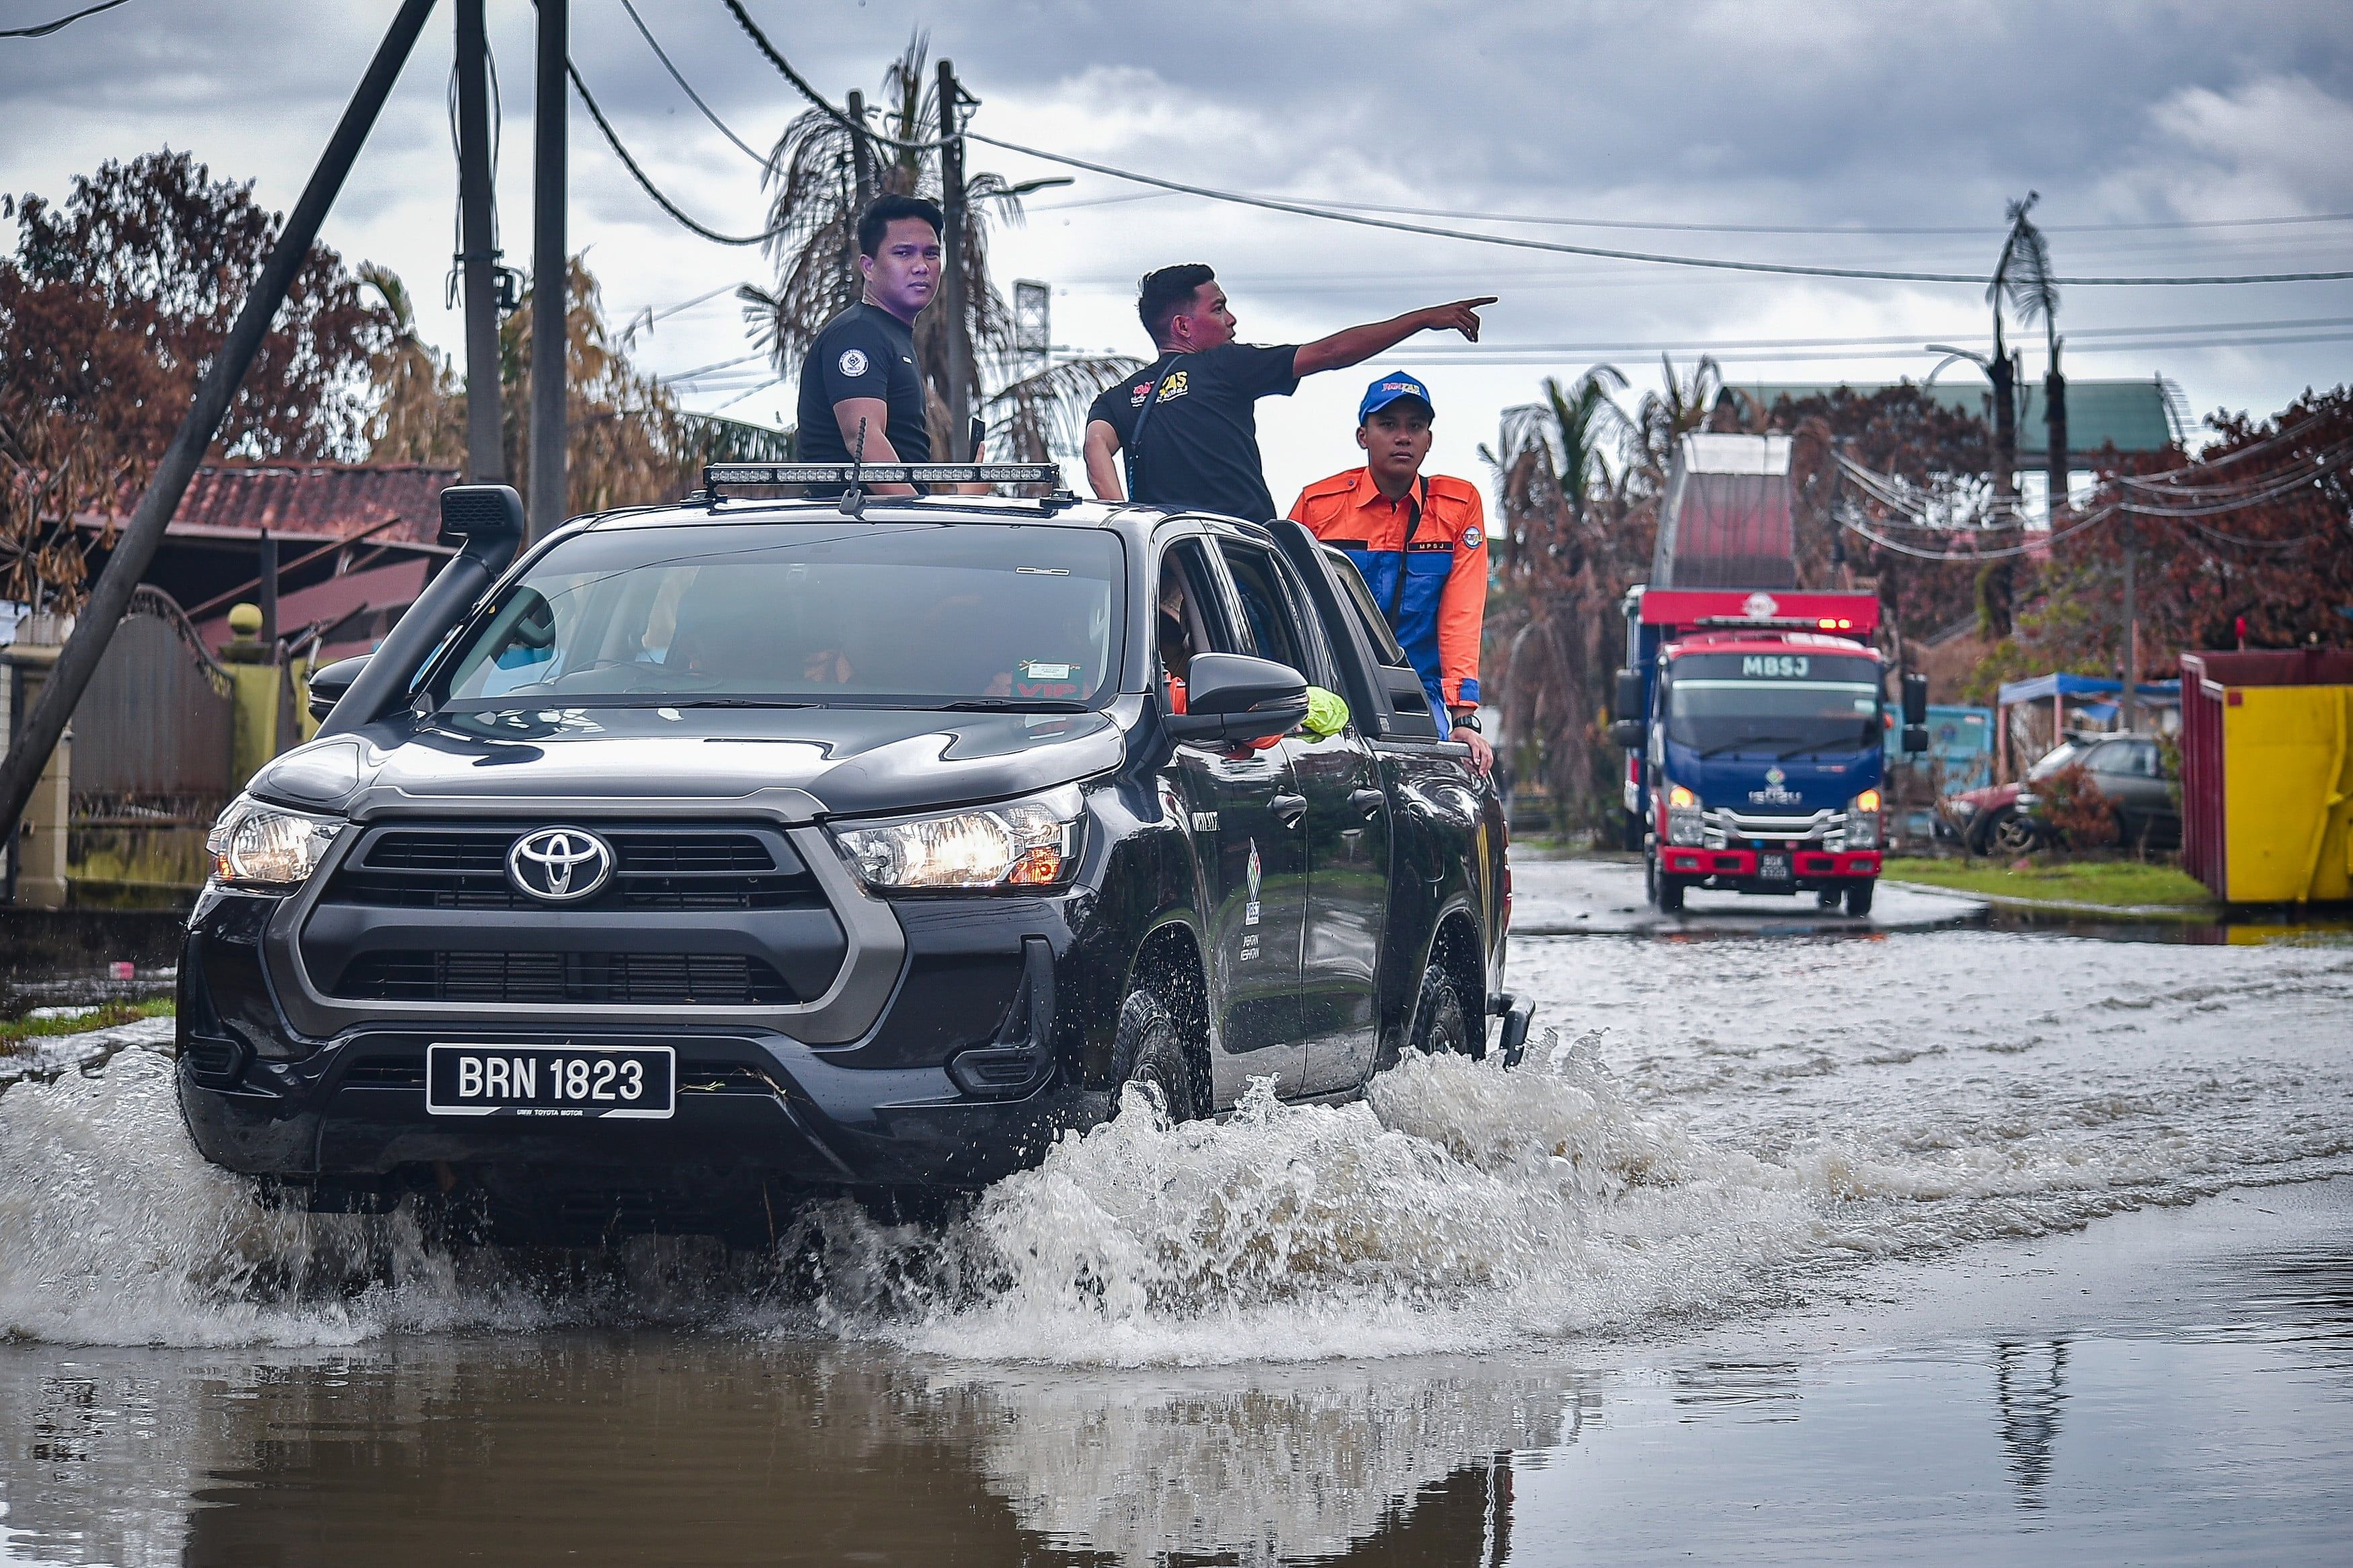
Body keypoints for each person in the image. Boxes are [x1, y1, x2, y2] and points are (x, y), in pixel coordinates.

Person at [1083, 263, 1494, 520]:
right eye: (1218, 308)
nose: (1232, 320)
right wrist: (1423, 319)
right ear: (1183, 327)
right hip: (1239, 558)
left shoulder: (1123, 396)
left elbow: (1095, 445)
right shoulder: (1225, 364)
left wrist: (1125, 518)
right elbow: (1332, 352)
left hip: (1170, 561)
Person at [1289, 372, 1492, 776]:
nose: (1403, 437)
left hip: (1419, 692)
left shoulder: (1458, 506)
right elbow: (1286, 608)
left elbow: (1462, 615)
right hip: (1332, 687)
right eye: (1388, 425)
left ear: (1428, 440)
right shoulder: (1318, 506)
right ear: (1363, 436)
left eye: (1415, 427)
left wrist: (1464, 718)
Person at [796, 194, 984, 498]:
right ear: (868, 267)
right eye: (904, 253)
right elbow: (864, 440)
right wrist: (925, 524)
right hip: (860, 533)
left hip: (884, 529)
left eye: (931, 254)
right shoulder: (859, 333)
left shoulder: (888, 334)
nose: (921, 266)